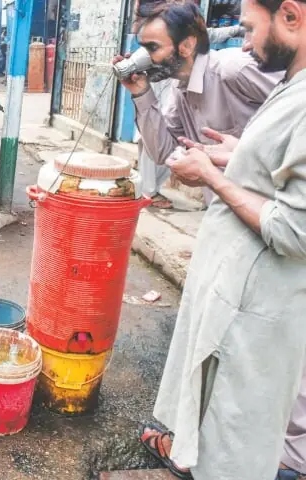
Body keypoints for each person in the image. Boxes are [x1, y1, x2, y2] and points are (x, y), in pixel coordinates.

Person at [138, 0, 306, 476]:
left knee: (258, 401)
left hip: (269, 275)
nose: (246, 41)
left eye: (153, 47)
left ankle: (287, 464)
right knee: (228, 389)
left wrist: (217, 177)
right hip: (241, 261)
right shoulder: (175, 93)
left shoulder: (235, 70)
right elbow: (168, 153)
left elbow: (295, 225)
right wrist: (237, 154)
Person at [115, 2, 281, 207]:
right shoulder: (180, 89)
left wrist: (244, 155)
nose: (145, 58)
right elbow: (162, 152)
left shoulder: (234, 69)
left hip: (277, 217)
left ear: (186, 46)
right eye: (142, 48)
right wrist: (141, 92)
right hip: (229, 213)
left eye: (153, 48)